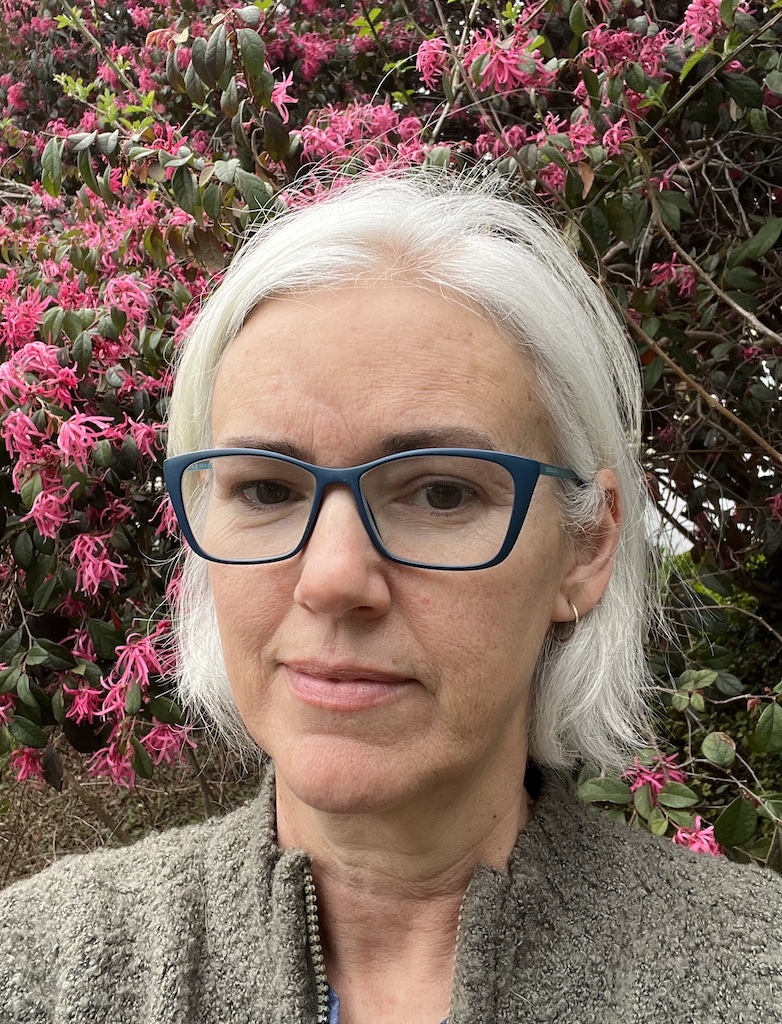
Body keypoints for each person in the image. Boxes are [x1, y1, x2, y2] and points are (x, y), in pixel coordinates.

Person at [2, 174, 781, 1024]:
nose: (333, 578)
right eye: (265, 490)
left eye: (442, 493)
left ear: (584, 549)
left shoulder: (751, 979)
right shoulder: (43, 971)